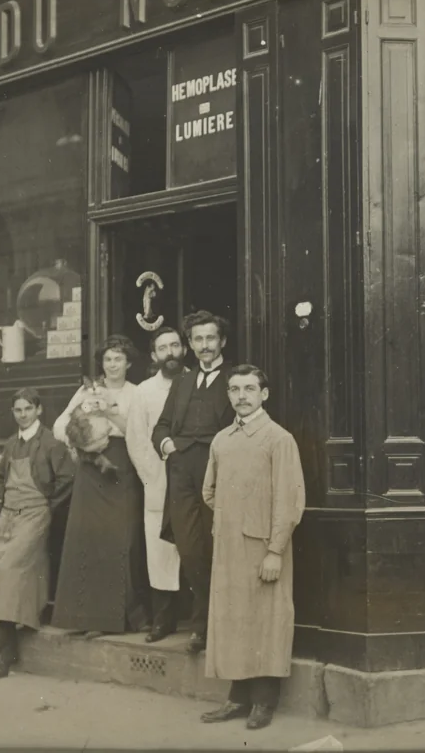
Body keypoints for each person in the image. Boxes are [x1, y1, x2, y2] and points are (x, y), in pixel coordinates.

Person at [198, 365, 305, 730]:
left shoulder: (278, 439)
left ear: (264, 394)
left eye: (249, 389)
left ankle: (263, 702)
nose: (241, 396)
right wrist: (233, 517)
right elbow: (209, 491)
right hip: (228, 547)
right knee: (232, 619)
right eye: (234, 389)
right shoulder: (222, 440)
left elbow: (289, 500)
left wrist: (274, 549)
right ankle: (237, 699)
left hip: (262, 547)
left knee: (265, 622)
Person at [51, 335, 150, 637]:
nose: (112, 364)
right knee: (88, 541)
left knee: (120, 541)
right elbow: (59, 426)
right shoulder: (86, 390)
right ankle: (84, 618)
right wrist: (80, 438)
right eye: (108, 359)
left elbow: (137, 431)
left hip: (121, 466)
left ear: (129, 363)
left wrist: (109, 412)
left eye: (118, 359)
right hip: (91, 469)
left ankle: (117, 620)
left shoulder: (136, 393)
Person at [152, 311, 235, 654]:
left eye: (210, 338)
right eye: (198, 340)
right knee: (189, 549)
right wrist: (166, 445)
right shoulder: (182, 383)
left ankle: (214, 626)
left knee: (219, 548)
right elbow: (161, 426)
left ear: (222, 342)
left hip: (218, 471)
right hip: (182, 473)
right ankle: (202, 621)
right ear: (190, 345)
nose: (204, 345)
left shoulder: (235, 378)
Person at [0, 387, 74, 680]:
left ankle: (3, 654)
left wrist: (46, 507)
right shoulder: (11, 444)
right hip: (8, 515)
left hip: (36, 513)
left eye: (28, 409)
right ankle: (24, 624)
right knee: (4, 574)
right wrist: (7, 500)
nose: (23, 414)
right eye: (18, 410)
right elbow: (1, 476)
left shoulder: (51, 443)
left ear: (39, 410)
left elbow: (67, 479)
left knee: (9, 569)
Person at [126, 326, 187, 643]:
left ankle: (200, 622)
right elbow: (136, 439)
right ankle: (163, 621)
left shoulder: (196, 383)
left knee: (196, 545)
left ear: (184, 350)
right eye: (163, 348)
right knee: (160, 550)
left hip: (195, 480)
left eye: (176, 345)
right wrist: (152, 475)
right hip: (159, 479)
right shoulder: (144, 391)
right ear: (154, 355)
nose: (170, 352)